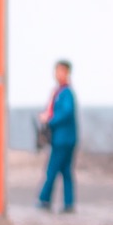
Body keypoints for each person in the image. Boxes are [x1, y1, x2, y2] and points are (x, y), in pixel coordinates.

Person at [37, 59, 77, 212]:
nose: (57, 74)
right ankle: (68, 203)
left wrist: (49, 119)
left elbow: (66, 113)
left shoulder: (66, 93)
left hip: (63, 139)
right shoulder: (59, 91)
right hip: (61, 138)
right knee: (65, 171)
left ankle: (44, 199)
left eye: (60, 70)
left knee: (53, 169)